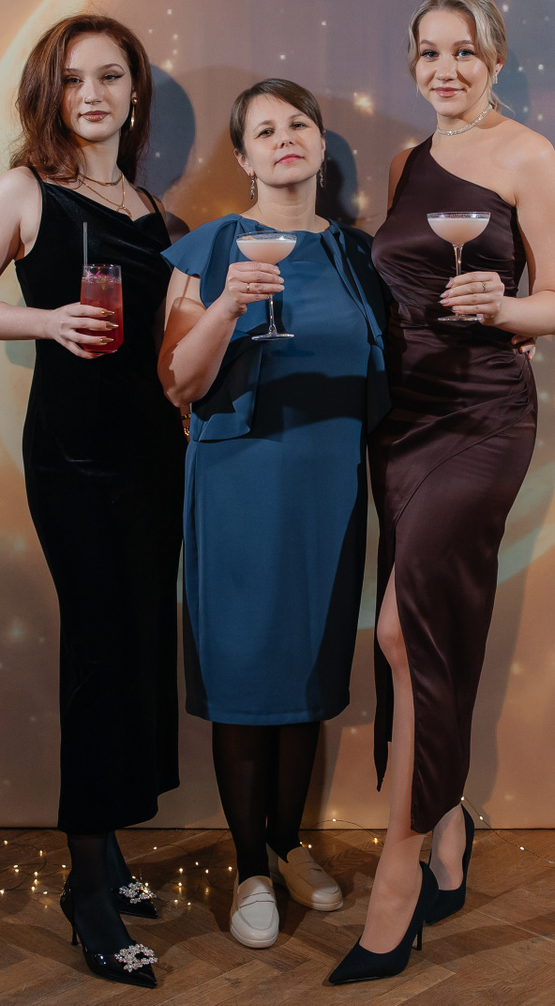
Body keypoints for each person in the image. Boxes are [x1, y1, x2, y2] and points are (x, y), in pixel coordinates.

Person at [0, 14, 181, 990]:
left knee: (139, 644)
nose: (92, 94)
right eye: (74, 78)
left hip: (155, 452)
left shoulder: (153, 209)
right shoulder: (24, 190)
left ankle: (110, 855)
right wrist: (45, 321)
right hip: (75, 455)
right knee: (98, 652)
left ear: (133, 91)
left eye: (109, 76)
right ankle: (86, 888)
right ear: (51, 91)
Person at [335, 0, 555, 985]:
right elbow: (391, 285)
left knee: (406, 630)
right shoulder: (405, 163)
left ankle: (397, 884)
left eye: (464, 51)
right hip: (403, 422)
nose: (446, 69)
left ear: (496, 58)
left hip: (482, 418)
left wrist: (504, 307)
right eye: (429, 53)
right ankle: (447, 828)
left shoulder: (530, 156)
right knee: (429, 633)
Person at [157, 79, 388, 952]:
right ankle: (250, 866)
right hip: (237, 485)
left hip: (329, 487)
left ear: (320, 145)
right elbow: (178, 382)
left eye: (298, 123)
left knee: (307, 670)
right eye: (264, 129)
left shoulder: (358, 256)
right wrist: (228, 305)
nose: (284, 137)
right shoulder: (211, 247)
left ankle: (290, 847)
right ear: (245, 157)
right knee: (246, 672)